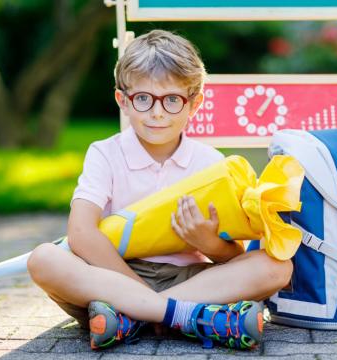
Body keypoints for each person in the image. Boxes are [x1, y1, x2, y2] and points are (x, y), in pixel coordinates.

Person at [27, 29, 293, 351]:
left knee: (277, 266)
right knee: (43, 259)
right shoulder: (105, 153)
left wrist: (207, 242)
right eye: (143, 98)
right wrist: (136, 289)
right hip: (113, 275)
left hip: (190, 281)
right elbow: (81, 232)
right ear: (122, 100)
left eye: (171, 100)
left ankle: (129, 320)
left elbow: (233, 257)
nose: (157, 113)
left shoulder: (210, 163)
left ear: (194, 104)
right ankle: (195, 320)